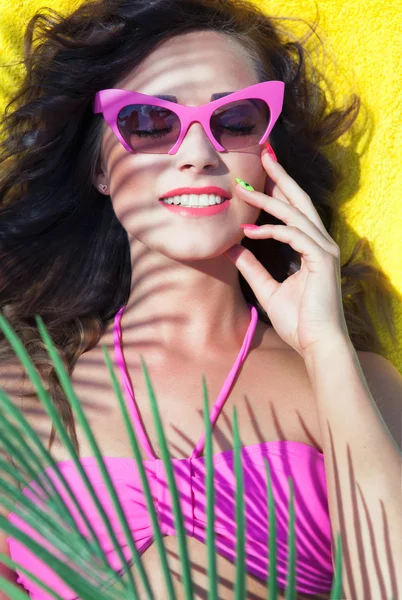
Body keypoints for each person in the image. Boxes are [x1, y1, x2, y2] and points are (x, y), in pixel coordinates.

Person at [0, 0, 400, 599]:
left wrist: (325, 347)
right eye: (149, 122)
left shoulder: (360, 382)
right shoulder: (17, 388)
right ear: (99, 168)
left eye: (236, 121)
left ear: (269, 160)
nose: (197, 154)